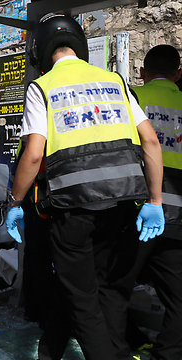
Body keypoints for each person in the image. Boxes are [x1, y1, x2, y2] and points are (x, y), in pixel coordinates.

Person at [6, 13, 164, 360]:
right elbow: (150, 141)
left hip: (73, 211)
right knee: (96, 286)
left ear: (40, 53)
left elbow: (33, 155)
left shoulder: (43, 87)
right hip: (122, 206)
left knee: (82, 300)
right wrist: (155, 200)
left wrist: (14, 202)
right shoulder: (115, 81)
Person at [123, 44, 182, 360]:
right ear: (178, 74)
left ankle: (121, 347)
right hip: (178, 215)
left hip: (139, 209)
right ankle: (168, 354)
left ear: (143, 73)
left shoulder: (133, 98)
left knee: (115, 288)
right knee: (178, 295)